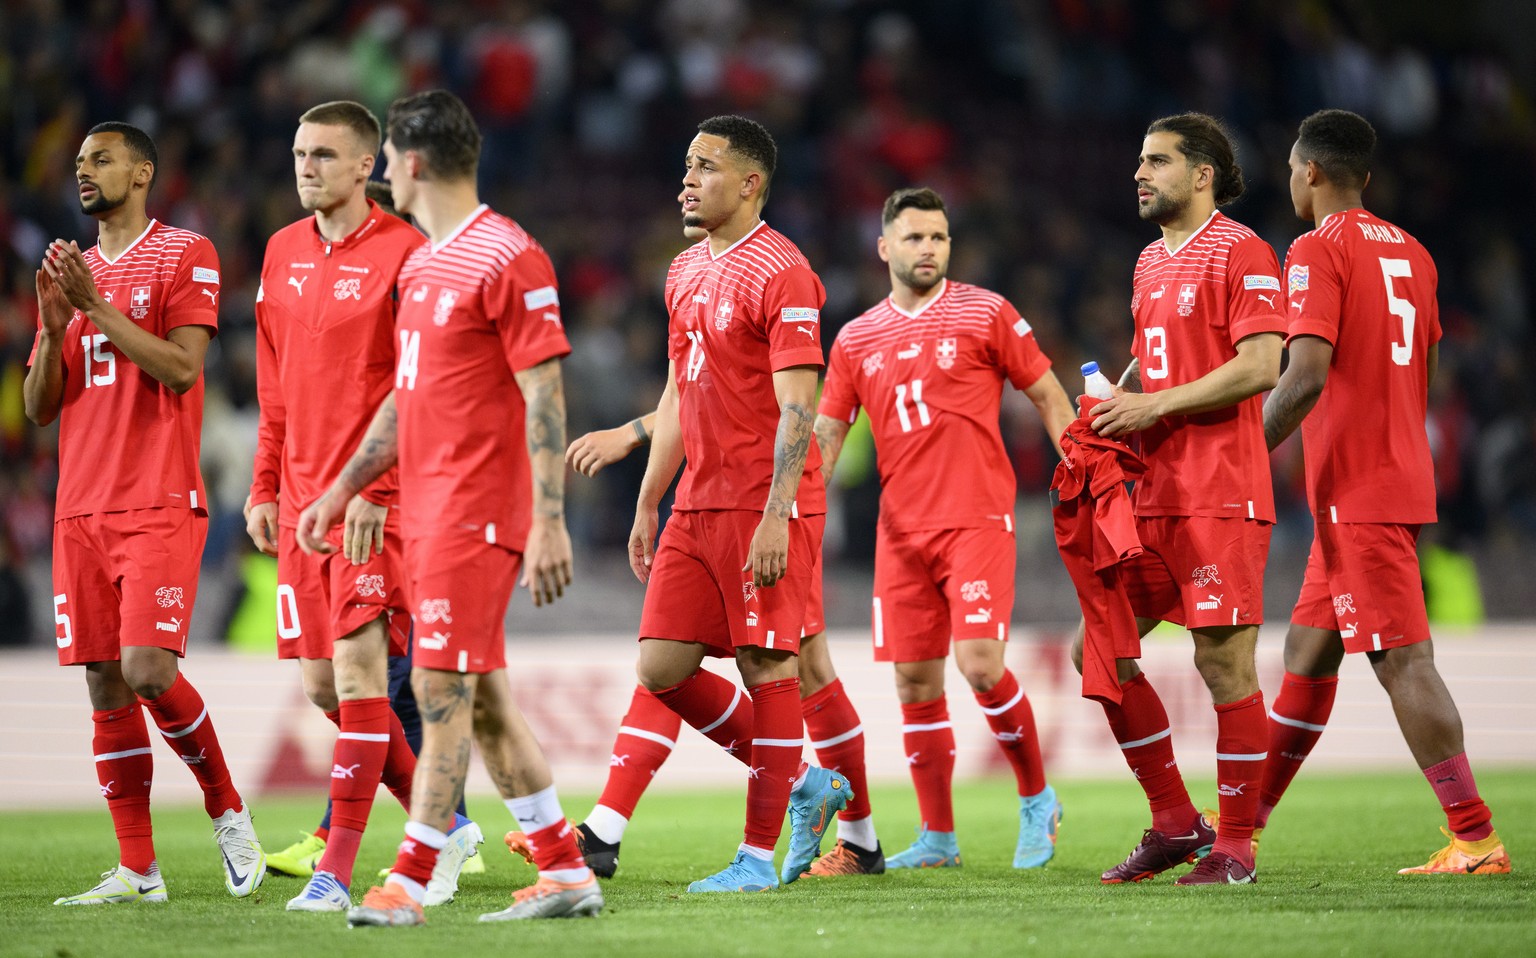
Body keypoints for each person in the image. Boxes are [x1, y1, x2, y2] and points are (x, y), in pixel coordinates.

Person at [296, 89, 600, 925]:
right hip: (426, 510)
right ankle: (565, 869)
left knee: (438, 688)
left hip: (480, 511)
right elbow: (404, 397)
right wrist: (342, 488)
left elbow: (545, 393)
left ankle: (407, 880)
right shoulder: (425, 264)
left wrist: (547, 517)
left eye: (388, 156)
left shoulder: (509, 255)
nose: (385, 169)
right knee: (488, 701)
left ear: (414, 161)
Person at [1256, 109, 1509, 875]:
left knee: (1403, 660)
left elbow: (1303, 375)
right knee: (1308, 652)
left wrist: (1241, 454)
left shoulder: (1313, 248)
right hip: (1396, 473)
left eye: (1291, 170)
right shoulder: (1416, 253)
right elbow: (1423, 378)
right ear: (1365, 176)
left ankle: (1475, 838)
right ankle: (1245, 824)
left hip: (1359, 488)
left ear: (1309, 172)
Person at [246, 100, 483, 912]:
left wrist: (377, 492)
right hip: (303, 503)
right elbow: (273, 388)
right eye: (298, 151)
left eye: (323, 154)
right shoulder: (279, 252)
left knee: (357, 679)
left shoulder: (408, 255)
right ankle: (445, 825)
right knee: (325, 687)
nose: (306, 165)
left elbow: (419, 391)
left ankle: (334, 872)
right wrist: (264, 485)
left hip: (374, 506)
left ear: (364, 167)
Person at [24, 122, 266, 904]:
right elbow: (38, 408)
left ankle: (227, 808)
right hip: (79, 507)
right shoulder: (72, 273)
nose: (84, 170)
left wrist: (98, 308)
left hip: (157, 497)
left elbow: (184, 369)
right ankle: (138, 869)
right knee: (104, 684)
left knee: (147, 669)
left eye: (101, 158)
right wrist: (58, 326)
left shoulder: (184, 252)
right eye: (80, 161)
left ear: (142, 171)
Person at [814, 187, 1076, 870]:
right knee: (914, 685)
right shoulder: (854, 338)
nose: (927, 248)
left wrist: (1084, 467)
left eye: (938, 237)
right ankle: (937, 838)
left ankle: (1036, 799)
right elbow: (826, 436)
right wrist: (795, 512)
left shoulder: (986, 312)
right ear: (884, 248)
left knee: (980, 665)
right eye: (914, 238)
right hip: (900, 534)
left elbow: (1048, 394)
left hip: (976, 521)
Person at [622, 115, 850, 893]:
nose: (687, 179)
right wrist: (651, 496)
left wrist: (778, 515)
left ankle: (756, 858)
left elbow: (798, 408)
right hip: (697, 502)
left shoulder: (782, 270)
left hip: (765, 502)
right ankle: (805, 783)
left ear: (751, 182)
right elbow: (680, 393)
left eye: (706, 166)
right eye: (686, 164)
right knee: (661, 666)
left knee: (767, 665)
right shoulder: (683, 271)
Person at [1073, 113, 1284, 886]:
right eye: (1139, 160)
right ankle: (1174, 822)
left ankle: (1235, 847)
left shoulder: (1243, 249)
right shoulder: (1147, 263)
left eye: (1157, 161)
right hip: (1153, 496)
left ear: (1202, 174)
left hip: (1221, 492)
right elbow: (1156, 367)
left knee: (1222, 663)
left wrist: (1153, 409)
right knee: (1096, 649)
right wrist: (1110, 410)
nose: (1139, 172)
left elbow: (1263, 364)